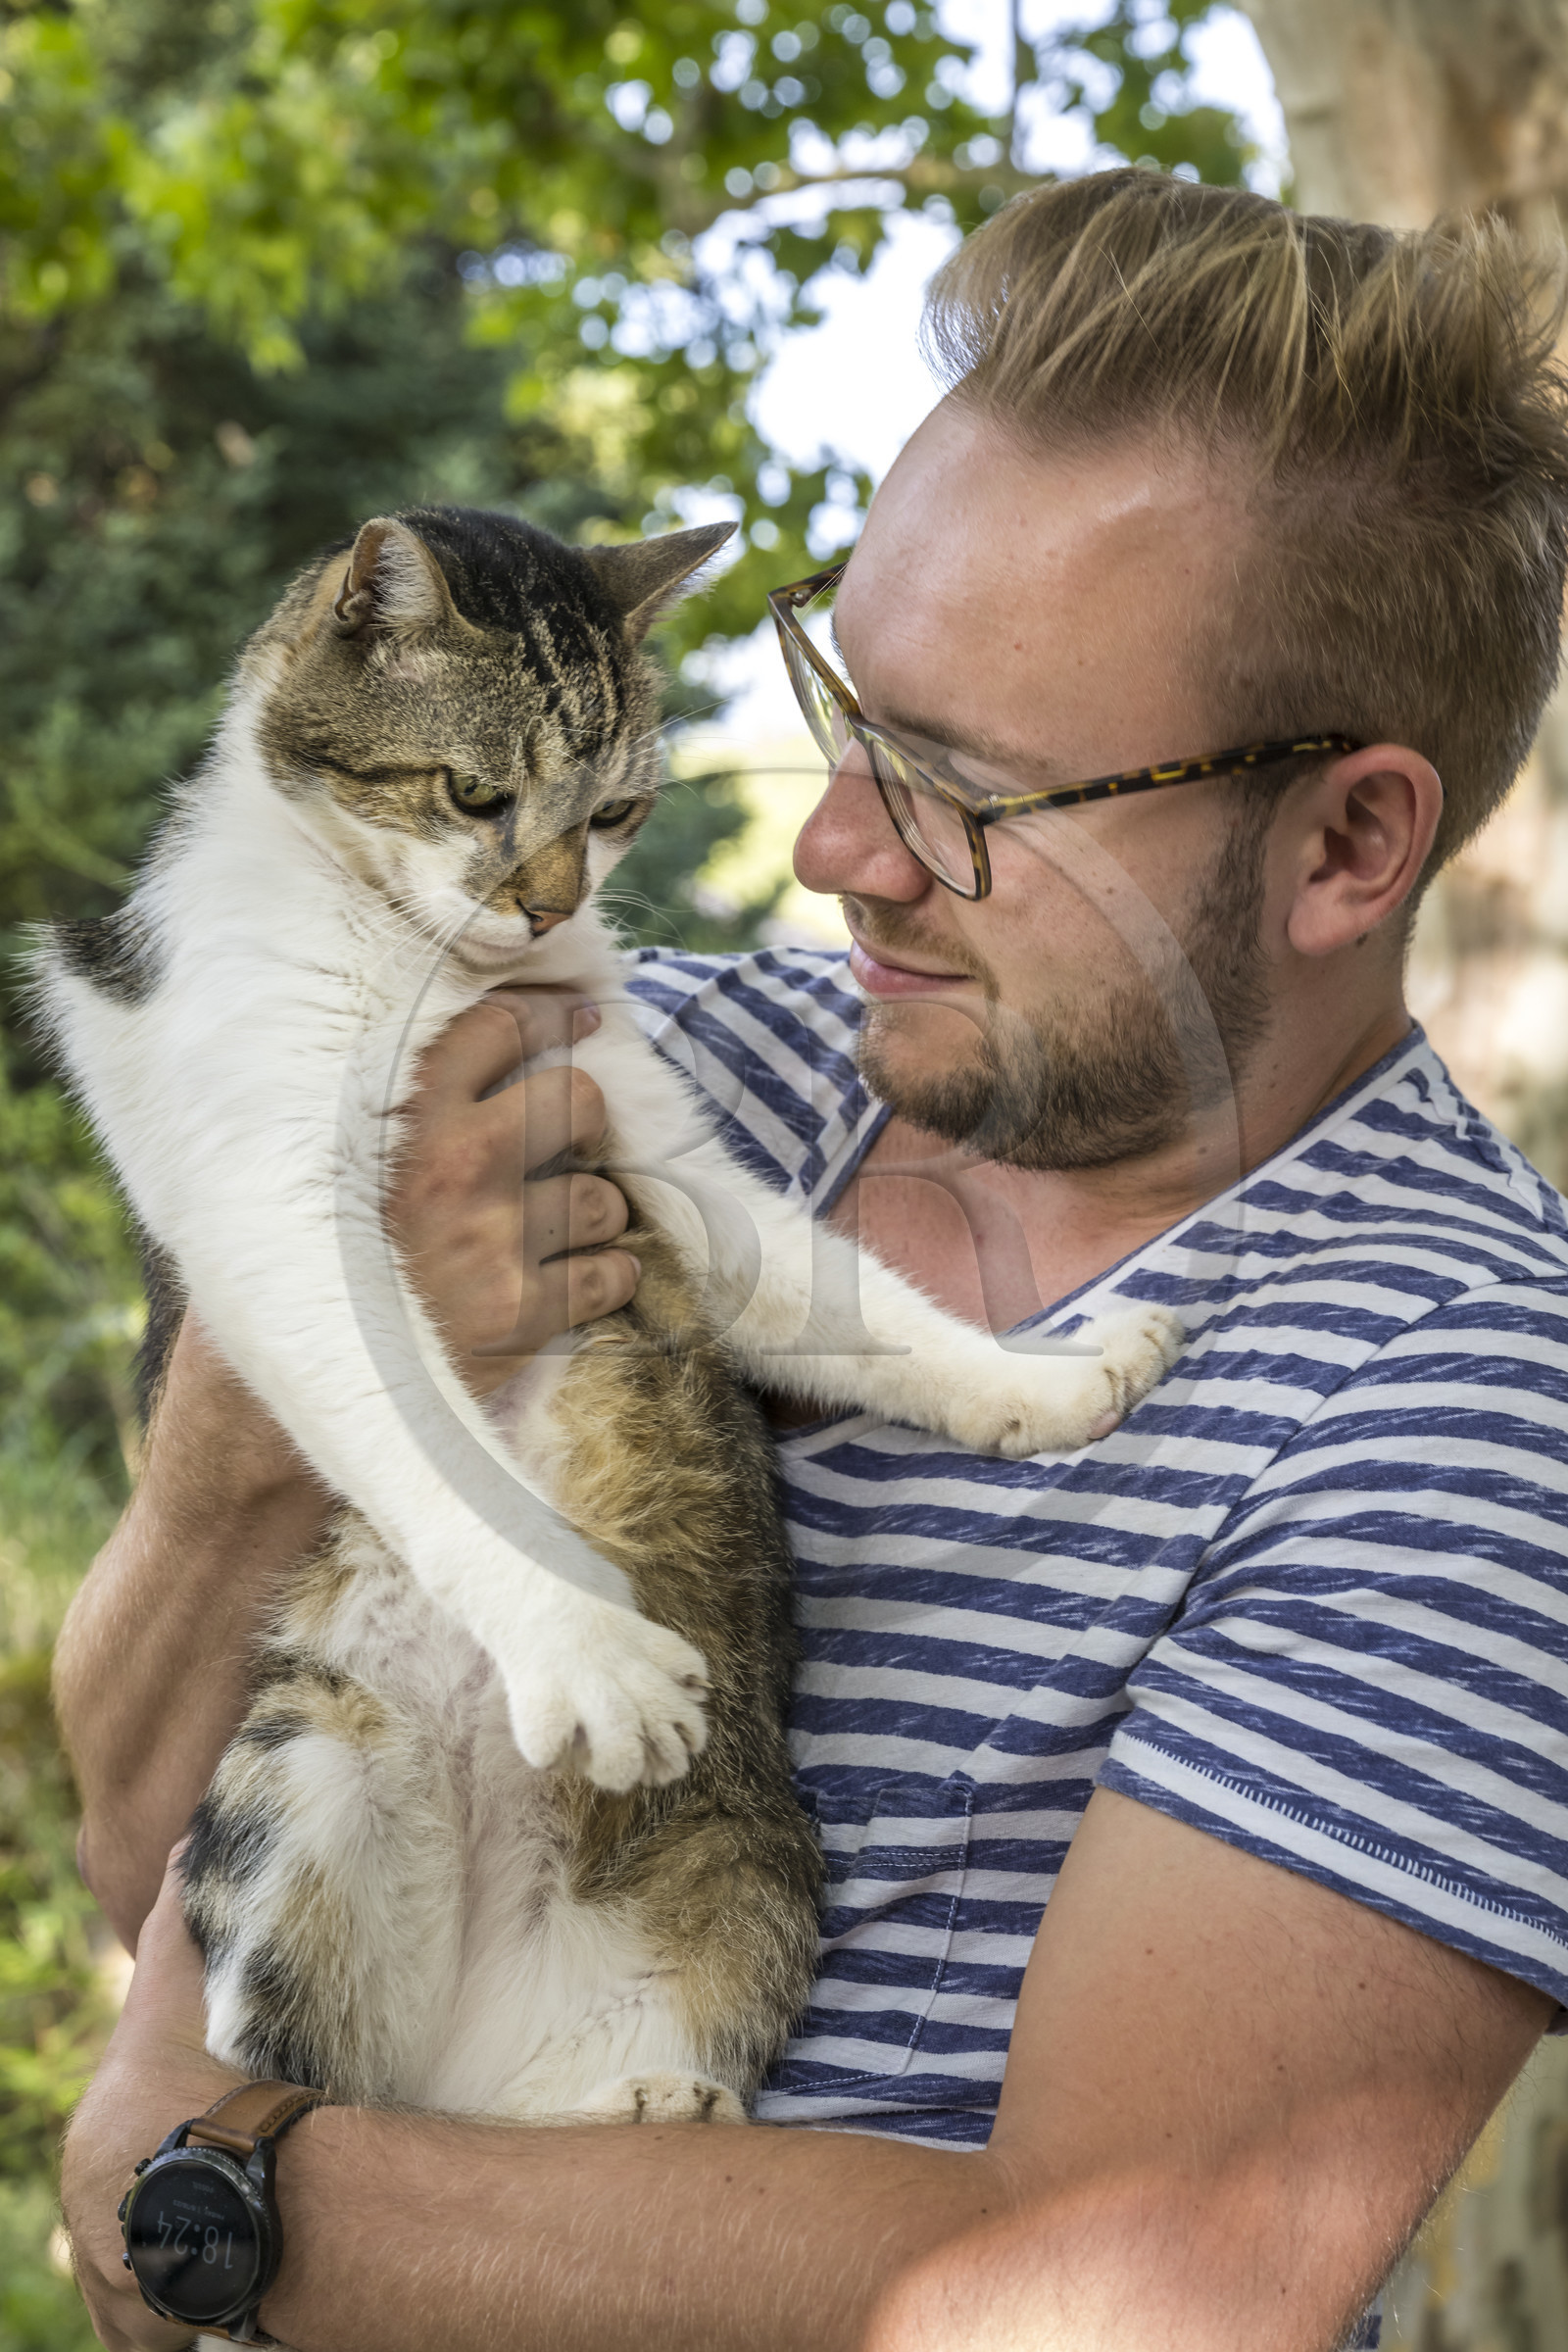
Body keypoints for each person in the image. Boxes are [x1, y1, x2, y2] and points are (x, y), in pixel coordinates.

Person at [57, 170, 1568, 2352]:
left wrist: (217, 2196)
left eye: (963, 791)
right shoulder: (624, 1059)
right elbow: (148, 1846)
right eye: (840, 703)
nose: (834, 844)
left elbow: (1117, 2304)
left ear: (1347, 841)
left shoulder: (1470, 1409)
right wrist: (237, 1440)